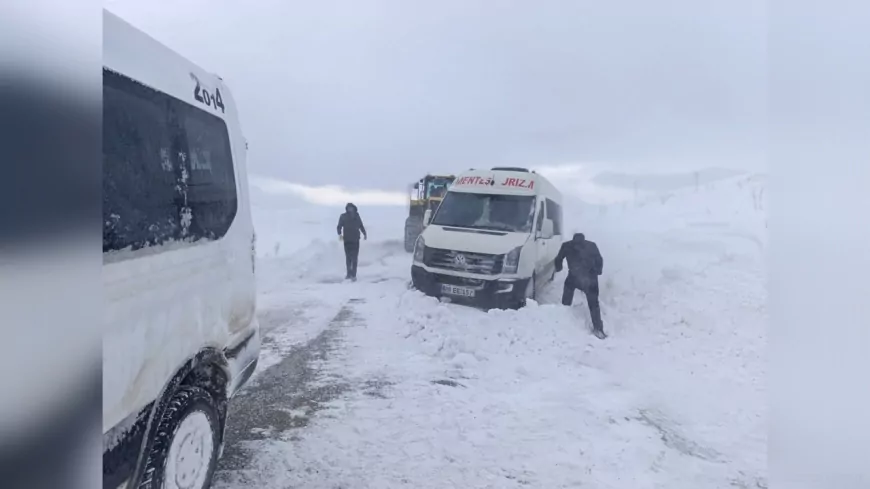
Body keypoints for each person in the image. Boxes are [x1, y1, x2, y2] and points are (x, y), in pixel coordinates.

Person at [555, 232, 607, 339]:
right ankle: (598, 328)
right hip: (583, 276)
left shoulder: (568, 245)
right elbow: (599, 259)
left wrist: (558, 267)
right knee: (593, 303)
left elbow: (558, 259)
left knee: (573, 298)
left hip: (584, 276)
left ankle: (563, 320)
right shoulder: (590, 245)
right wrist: (598, 271)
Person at [337, 202, 367, 281]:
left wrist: (364, 233)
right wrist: (340, 235)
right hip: (347, 240)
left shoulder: (357, 216)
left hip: (356, 240)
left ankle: (354, 274)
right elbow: (339, 226)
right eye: (348, 208)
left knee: (354, 258)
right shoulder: (343, 216)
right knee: (348, 258)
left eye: (351, 208)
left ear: (354, 208)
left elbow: (361, 225)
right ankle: (348, 274)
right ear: (346, 209)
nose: (350, 209)